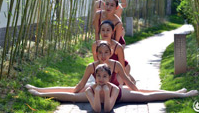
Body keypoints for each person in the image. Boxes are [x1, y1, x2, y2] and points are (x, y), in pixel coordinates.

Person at [26, 42, 198, 103]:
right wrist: (76, 91)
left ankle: (179, 94)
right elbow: (80, 84)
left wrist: (134, 90)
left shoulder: (115, 64)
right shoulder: (91, 66)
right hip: (95, 91)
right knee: (70, 92)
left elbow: (127, 81)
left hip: (116, 92)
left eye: (105, 53)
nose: (102, 56)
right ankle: (39, 92)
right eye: (99, 53)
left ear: (110, 53)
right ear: (97, 54)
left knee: (145, 95)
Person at [92, 20, 135, 85]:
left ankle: (130, 81)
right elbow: (97, 64)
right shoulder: (95, 45)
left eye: (108, 30)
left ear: (112, 32)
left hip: (118, 71)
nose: (105, 33)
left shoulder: (118, 47)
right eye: (103, 30)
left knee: (123, 85)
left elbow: (122, 67)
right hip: (104, 71)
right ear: (100, 31)